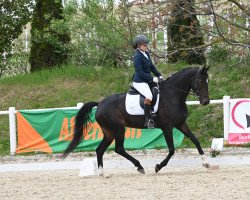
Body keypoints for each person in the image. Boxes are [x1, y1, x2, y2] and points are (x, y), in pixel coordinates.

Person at [132, 34, 164, 128]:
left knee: (159, 90)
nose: (146, 47)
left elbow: (152, 67)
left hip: (147, 79)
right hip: (139, 81)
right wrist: (152, 78)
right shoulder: (137, 56)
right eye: (144, 45)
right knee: (149, 95)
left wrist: (159, 75)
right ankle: (147, 119)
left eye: (146, 45)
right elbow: (140, 72)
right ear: (138, 45)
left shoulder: (146, 53)